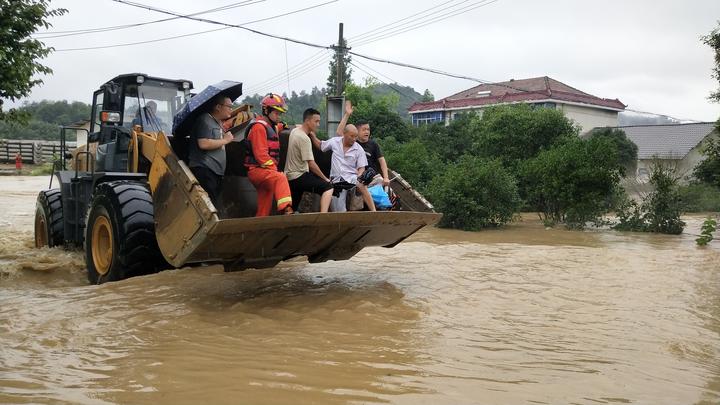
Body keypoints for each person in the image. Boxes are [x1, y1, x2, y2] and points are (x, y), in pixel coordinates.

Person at [244, 93, 293, 216]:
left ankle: (258, 225)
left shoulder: (270, 126)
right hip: (258, 171)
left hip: (265, 172)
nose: (279, 116)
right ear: (266, 110)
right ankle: (287, 209)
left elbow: (275, 129)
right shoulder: (258, 128)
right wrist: (274, 170)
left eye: (280, 114)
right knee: (280, 178)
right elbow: (261, 156)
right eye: (276, 113)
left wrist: (284, 126)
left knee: (264, 205)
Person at [309, 123, 376, 212]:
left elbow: (361, 168)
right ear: (344, 134)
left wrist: (360, 176)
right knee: (339, 210)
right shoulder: (334, 142)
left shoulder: (359, 149)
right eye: (351, 136)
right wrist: (313, 136)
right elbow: (321, 146)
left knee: (362, 185)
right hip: (336, 180)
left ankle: (374, 211)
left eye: (355, 136)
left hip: (351, 178)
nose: (354, 139)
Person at [187, 95, 234, 214]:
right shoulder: (204, 120)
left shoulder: (218, 123)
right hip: (205, 169)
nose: (231, 110)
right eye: (229, 106)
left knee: (214, 205)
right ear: (218, 107)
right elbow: (204, 143)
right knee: (208, 207)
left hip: (215, 172)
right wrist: (226, 140)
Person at [284, 108, 333, 213]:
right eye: (316, 121)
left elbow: (298, 126)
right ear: (307, 121)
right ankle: (323, 215)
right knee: (328, 187)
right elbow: (311, 164)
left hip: (289, 177)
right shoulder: (304, 139)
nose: (318, 124)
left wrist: (310, 133)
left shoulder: (295, 131)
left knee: (292, 208)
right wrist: (325, 179)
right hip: (299, 176)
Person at [336, 100, 390, 187]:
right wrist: (347, 114)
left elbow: (382, 161)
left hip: (373, 178)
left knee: (382, 188)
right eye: (364, 129)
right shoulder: (352, 142)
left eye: (368, 129)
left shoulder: (373, 144)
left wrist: (386, 177)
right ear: (356, 131)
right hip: (356, 178)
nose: (367, 132)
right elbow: (339, 132)